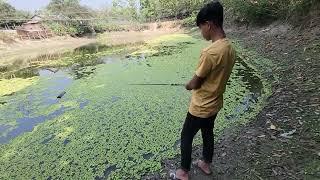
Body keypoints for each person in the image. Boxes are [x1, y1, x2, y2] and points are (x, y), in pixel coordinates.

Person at [174, 1, 236, 179]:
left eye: (201, 27)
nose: (201, 32)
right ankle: (205, 163)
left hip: (200, 106)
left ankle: (183, 171)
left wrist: (187, 85)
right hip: (215, 104)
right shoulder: (230, 48)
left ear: (208, 24)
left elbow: (195, 83)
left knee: (186, 136)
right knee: (208, 133)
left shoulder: (210, 52)